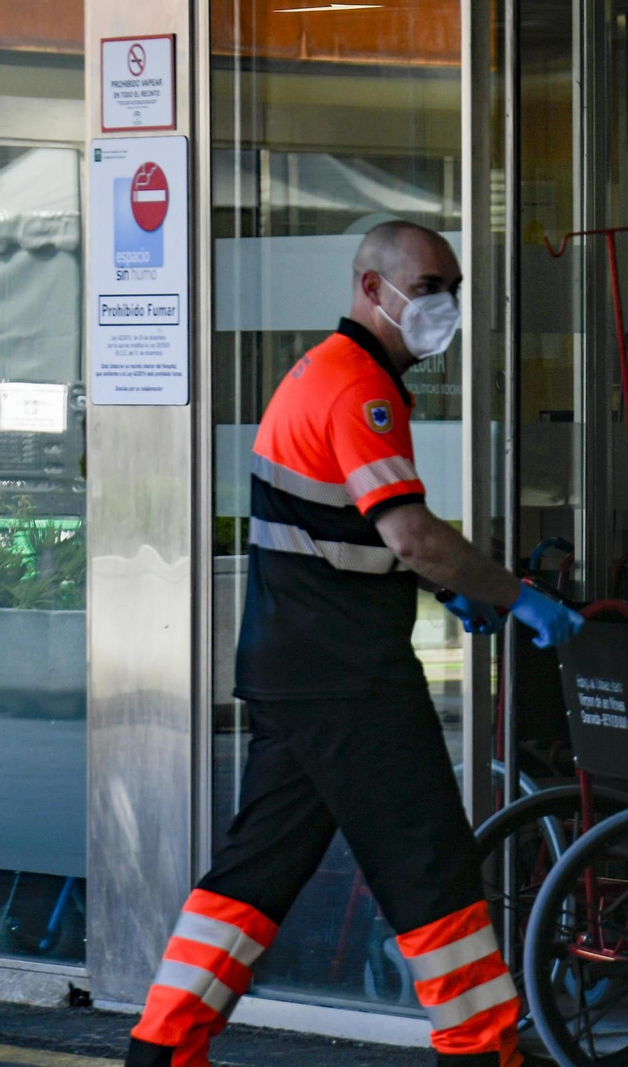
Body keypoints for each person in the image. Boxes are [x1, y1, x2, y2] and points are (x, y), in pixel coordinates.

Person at [124, 220, 583, 1067]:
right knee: (432, 869)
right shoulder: (357, 390)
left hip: (295, 669)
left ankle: (162, 1048)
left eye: (452, 286)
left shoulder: (323, 373)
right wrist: (518, 596)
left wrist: (453, 587)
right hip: (349, 681)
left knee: (250, 879)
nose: (443, 303)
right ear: (373, 289)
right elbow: (408, 534)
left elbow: (347, 534)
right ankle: (483, 1050)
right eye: (430, 285)